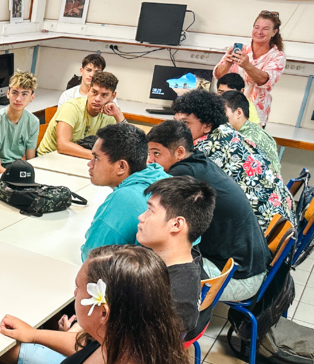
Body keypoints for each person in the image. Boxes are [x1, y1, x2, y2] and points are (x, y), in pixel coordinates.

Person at [0, 245, 189, 364]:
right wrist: (34, 334)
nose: (74, 294)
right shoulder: (135, 337)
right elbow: (85, 346)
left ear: (104, 313)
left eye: (78, 288)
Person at [146, 120, 271, 302]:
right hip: (250, 266)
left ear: (180, 152)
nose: (150, 160)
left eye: (156, 153)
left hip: (240, 278)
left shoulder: (182, 173)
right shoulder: (198, 161)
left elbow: (146, 194)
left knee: (152, 266)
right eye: (149, 153)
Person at [173, 90, 295, 231]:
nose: (179, 129)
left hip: (259, 231)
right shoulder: (227, 132)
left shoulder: (205, 148)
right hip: (279, 224)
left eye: (185, 123)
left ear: (207, 125)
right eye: (176, 122)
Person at [81, 123, 169, 261]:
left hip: (145, 279)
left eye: (96, 158)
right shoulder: (161, 176)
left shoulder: (124, 199)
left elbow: (92, 256)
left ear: (121, 166)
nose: (90, 164)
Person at [137, 176, 213, 335]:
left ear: (176, 225)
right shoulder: (169, 260)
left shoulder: (175, 297)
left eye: (150, 210)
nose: (141, 217)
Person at [213, 10, 285, 126]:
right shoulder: (239, 49)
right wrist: (227, 63)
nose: (259, 32)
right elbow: (219, 76)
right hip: (226, 110)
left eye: (265, 29)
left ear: (274, 32)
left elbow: (264, 80)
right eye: (256, 27)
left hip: (254, 115)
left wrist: (247, 65)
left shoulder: (277, 56)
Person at [38, 72, 126, 159]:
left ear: (113, 96)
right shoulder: (72, 107)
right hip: (48, 157)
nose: (97, 99)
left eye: (104, 95)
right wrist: (99, 157)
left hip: (76, 158)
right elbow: (62, 146)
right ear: (88, 91)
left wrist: (118, 115)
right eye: (94, 92)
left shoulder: (110, 113)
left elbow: (129, 146)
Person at [0, 70, 40, 179]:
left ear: (32, 97)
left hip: (16, 167)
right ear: (8, 94)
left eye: (24, 94)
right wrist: (21, 177)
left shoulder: (33, 122)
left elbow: (30, 161)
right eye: (15, 92)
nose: (18, 99)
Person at [221, 90, 281, 175]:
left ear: (238, 113)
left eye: (223, 112)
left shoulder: (247, 139)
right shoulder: (253, 128)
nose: (219, 116)